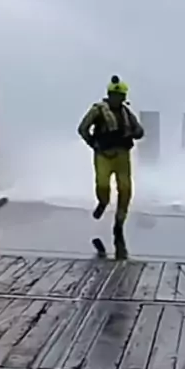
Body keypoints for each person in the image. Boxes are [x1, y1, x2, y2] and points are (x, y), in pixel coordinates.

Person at [77, 76, 144, 255]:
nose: (118, 99)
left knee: (125, 189)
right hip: (104, 155)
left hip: (122, 155)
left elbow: (139, 130)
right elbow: (82, 128)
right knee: (102, 184)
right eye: (115, 95)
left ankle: (119, 224)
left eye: (121, 96)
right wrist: (93, 143)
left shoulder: (126, 113)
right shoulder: (98, 110)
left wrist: (134, 132)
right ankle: (103, 202)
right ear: (109, 95)